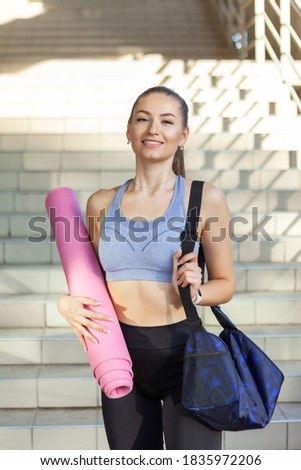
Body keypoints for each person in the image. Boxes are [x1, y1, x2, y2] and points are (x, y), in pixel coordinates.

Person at [57, 86, 235, 450]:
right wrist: (66, 303)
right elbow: (90, 281)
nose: (153, 129)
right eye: (143, 119)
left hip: (187, 357)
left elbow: (226, 284)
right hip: (120, 355)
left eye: (166, 121)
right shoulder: (101, 203)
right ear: (128, 130)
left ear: (182, 136)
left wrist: (198, 289)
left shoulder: (204, 197)